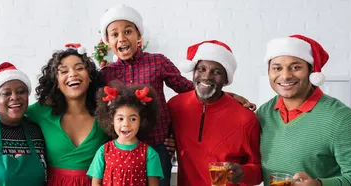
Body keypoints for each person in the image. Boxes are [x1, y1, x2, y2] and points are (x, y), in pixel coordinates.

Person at [98, 5, 256, 185]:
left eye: (128, 31)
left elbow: (189, 88)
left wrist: (224, 94)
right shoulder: (106, 74)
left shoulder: (157, 62)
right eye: (115, 34)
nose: (122, 38)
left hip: (157, 147)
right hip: (123, 150)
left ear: (138, 35)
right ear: (108, 41)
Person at [0, 44, 110, 186]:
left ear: (90, 75)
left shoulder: (106, 114)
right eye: (63, 71)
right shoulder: (41, 112)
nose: (73, 74)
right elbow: (9, 111)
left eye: (79, 68)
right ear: (56, 81)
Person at [258, 34, 351, 186]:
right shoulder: (264, 113)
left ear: (312, 72)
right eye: (277, 68)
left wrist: (319, 184)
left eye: (296, 67)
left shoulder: (341, 118)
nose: (285, 76)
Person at [167, 40, 262, 186]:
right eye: (201, 69)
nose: (207, 77)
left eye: (217, 72)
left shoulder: (247, 119)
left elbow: (258, 172)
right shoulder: (175, 106)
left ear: (226, 79)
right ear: (194, 72)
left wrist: (243, 172)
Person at [87, 82, 163, 186]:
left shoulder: (150, 154)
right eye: (120, 119)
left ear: (141, 121)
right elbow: (95, 183)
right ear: (111, 120)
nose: (126, 124)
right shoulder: (103, 151)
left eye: (133, 119)